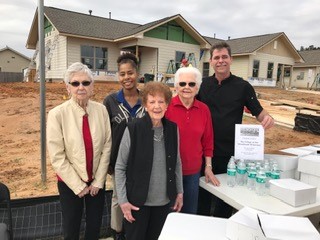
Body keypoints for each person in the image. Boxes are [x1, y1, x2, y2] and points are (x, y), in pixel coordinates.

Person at [197, 41, 274, 218]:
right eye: (217, 57)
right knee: (203, 197)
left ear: (231, 60)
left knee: (226, 198)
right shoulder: (202, 85)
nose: (221, 61)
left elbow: (259, 112)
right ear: (211, 61)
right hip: (204, 151)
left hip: (230, 154)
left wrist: (268, 119)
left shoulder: (243, 86)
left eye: (224, 57)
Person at [47, 62, 111, 239]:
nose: (81, 87)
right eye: (75, 83)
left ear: (92, 86)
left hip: (96, 182)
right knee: (71, 227)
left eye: (86, 82)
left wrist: (98, 181)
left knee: (94, 226)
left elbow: (107, 145)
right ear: (68, 88)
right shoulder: (57, 114)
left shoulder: (101, 110)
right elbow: (57, 156)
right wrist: (78, 185)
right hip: (69, 182)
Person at [115, 81, 183, 240]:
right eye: (152, 102)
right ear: (145, 105)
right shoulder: (133, 129)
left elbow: (177, 163)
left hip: (164, 201)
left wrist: (179, 192)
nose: (157, 106)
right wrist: (123, 201)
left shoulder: (173, 129)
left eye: (161, 102)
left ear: (167, 105)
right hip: (137, 203)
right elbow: (120, 167)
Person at [165, 66, 220, 214]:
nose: (186, 87)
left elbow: (208, 141)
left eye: (191, 84)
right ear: (176, 86)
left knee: (189, 214)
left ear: (198, 87)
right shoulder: (166, 108)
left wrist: (208, 166)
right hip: (169, 173)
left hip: (193, 173)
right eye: (182, 84)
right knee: (170, 216)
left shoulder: (204, 110)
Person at [103, 52, 145, 240]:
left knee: (140, 196)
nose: (126, 77)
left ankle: (136, 231)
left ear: (137, 73)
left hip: (144, 160)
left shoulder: (147, 98)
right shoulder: (110, 101)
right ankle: (117, 232)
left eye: (130, 73)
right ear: (118, 76)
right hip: (118, 161)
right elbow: (105, 133)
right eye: (122, 74)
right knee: (118, 197)